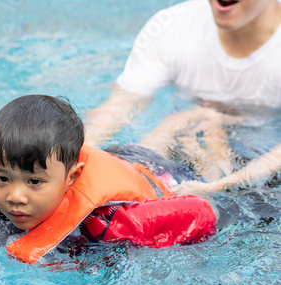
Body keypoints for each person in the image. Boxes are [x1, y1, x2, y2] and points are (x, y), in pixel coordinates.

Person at [0, 95, 216, 265]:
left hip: (159, 173)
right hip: (97, 158)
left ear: (71, 178)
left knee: (196, 149)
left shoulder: (107, 221)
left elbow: (202, 212)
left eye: (34, 182)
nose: (15, 196)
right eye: (3, 178)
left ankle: (203, 115)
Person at [85, 0, 281, 195]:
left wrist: (222, 185)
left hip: (262, 152)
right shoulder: (172, 26)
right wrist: (81, 155)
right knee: (184, 123)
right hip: (185, 134)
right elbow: (120, 106)